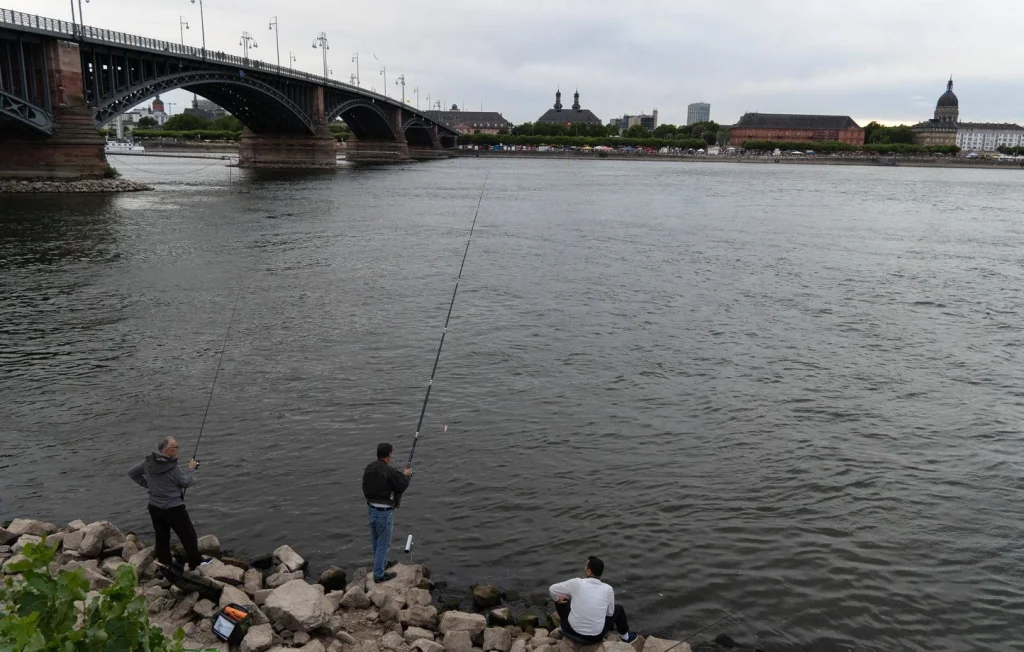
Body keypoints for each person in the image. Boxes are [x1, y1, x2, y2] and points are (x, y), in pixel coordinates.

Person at [128, 437, 205, 571]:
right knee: (189, 536)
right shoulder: (173, 467)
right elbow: (185, 482)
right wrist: (192, 469)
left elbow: (132, 473)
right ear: (167, 450)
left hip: (155, 508)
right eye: (176, 447)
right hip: (174, 509)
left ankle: (165, 565)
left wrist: (148, 485)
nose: (178, 449)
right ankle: (195, 563)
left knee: (162, 538)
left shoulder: (147, 462)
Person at [549, 556, 638, 644]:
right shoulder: (608, 589)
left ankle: (563, 625)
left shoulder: (577, 582)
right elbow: (610, 613)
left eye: (585, 566)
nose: (584, 568)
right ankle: (626, 637)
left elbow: (552, 589)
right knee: (618, 609)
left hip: (570, 630)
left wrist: (557, 599)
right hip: (594, 638)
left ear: (589, 571)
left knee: (561, 596)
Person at [362, 442, 412, 583]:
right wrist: (407, 475)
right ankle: (378, 575)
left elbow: (365, 487)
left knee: (376, 542)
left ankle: (383, 563)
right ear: (389, 454)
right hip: (384, 513)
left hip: (371, 510)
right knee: (383, 544)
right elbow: (401, 486)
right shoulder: (390, 471)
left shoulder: (369, 468)